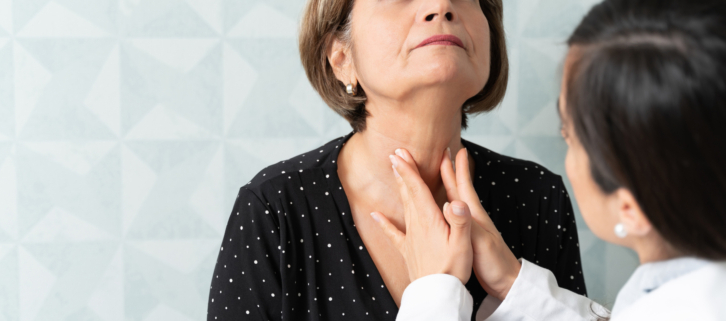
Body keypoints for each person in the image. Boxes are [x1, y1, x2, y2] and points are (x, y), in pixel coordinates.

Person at [379, 0, 726, 320]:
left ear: (630, 207)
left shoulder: (537, 194)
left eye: (567, 134)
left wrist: (434, 293)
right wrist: (515, 284)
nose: (441, 6)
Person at [206, 0, 587, 320]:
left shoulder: (537, 196)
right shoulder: (274, 210)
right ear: (341, 58)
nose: (441, 6)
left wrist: (517, 285)